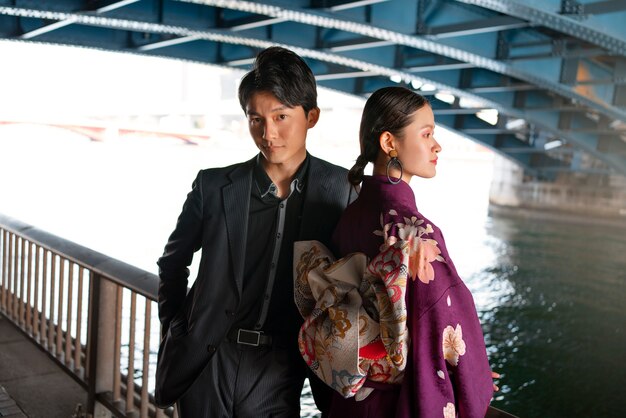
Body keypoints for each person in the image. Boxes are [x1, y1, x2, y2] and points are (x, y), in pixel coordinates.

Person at [154, 46, 357, 417]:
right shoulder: (213, 187)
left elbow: (362, 279)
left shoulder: (340, 190)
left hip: (281, 366)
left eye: (281, 117)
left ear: (311, 117)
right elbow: (173, 262)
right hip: (208, 361)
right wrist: (176, 328)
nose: (268, 133)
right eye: (256, 119)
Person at [294, 86, 495, 417]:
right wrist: (476, 375)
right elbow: (445, 329)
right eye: (427, 134)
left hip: (350, 401)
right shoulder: (416, 232)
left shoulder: (350, 217)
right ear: (390, 143)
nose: (437, 145)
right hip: (393, 404)